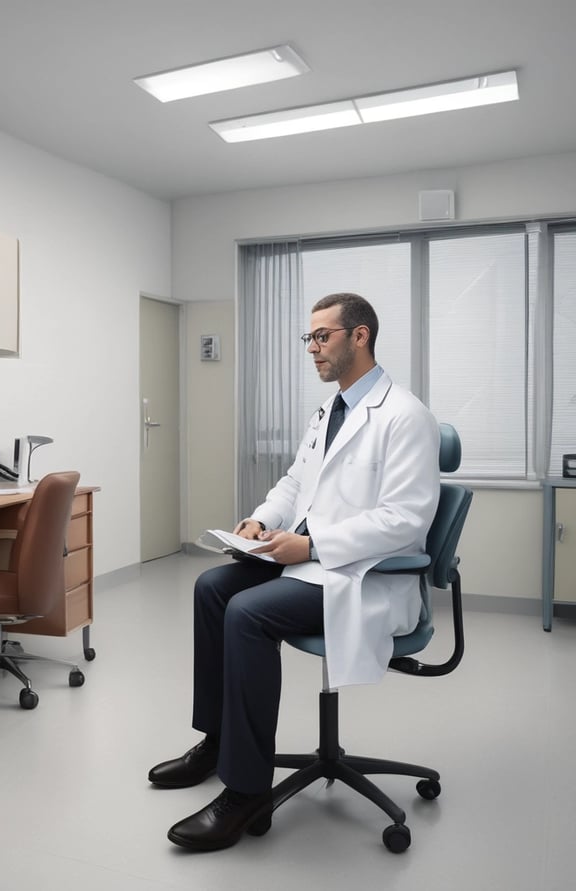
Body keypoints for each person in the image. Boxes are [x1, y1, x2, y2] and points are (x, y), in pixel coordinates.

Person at [148, 292, 440, 852]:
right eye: (308, 337)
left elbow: (404, 522)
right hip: (311, 560)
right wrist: (261, 521)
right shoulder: (328, 411)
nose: (312, 348)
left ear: (360, 337)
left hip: (364, 576)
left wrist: (310, 546)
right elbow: (294, 484)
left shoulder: (406, 417)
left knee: (248, 612)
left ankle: (246, 790)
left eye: (322, 336)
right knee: (213, 587)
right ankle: (217, 742)